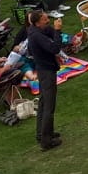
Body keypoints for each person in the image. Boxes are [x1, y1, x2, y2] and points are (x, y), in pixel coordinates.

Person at [26, 10, 64, 150]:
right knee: (49, 106)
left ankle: (42, 134)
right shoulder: (37, 36)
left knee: (43, 103)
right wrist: (58, 31)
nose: (48, 21)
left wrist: (54, 30)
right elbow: (54, 48)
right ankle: (46, 141)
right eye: (45, 19)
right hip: (46, 71)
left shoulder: (34, 31)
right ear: (37, 22)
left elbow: (48, 30)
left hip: (42, 69)